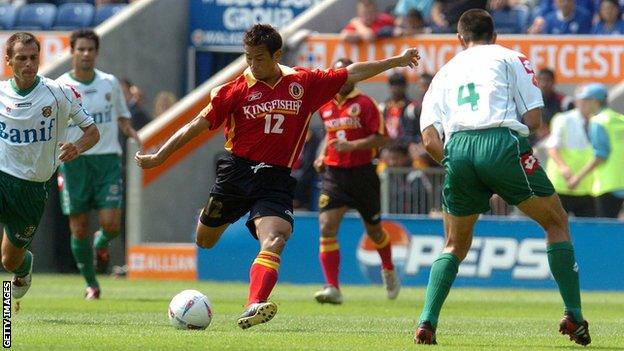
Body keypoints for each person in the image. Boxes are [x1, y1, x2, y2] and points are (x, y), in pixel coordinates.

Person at [135, 24, 420, 329]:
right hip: (236, 173)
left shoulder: (303, 82)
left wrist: (397, 60)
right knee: (204, 241)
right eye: (248, 58)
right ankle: (242, 264)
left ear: (277, 55)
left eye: (259, 58)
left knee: (275, 238)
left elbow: (352, 73)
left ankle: (254, 303)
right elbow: (195, 126)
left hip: (275, 179)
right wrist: (160, 155)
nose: (253, 65)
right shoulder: (232, 91)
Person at [415, 10, 590, 346]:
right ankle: (574, 315)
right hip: (501, 142)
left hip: (459, 149)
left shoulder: (445, 71)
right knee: (556, 222)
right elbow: (535, 119)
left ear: (459, 39)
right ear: (494, 35)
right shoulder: (512, 58)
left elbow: (428, 139)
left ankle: (427, 320)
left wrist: (455, 164)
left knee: (454, 244)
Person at [0, 32, 99, 303]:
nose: (29, 64)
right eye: (22, 58)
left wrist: (77, 147)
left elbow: (92, 132)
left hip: (32, 188)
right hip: (2, 175)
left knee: (10, 260)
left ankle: (24, 267)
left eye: (34, 58)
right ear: (9, 60)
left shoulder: (59, 94)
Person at [56, 29, 141, 300]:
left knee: (111, 224)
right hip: (74, 162)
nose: (85, 54)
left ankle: (101, 243)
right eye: (80, 49)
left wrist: (134, 134)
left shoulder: (109, 84)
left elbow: (122, 118)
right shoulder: (59, 87)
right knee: (78, 226)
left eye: (90, 50)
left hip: (106, 161)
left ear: (96, 52)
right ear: (72, 52)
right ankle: (91, 283)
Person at [312, 58, 395, 305]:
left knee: (374, 231)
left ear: (354, 78)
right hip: (335, 176)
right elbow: (331, 136)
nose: (341, 81)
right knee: (326, 226)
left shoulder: (365, 103)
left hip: (363, 174)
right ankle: (332, 287)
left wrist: (352, 146)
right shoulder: (325, 104)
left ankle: (388, 268)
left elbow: (382, 139)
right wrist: (321, 155)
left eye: (346, 76)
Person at [567, 83, 624, 218]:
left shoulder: (598, 121)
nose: (582, 103)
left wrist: (577, 178)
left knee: (606, 231)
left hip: (607, 185)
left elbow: (600, 155)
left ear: (595, 101)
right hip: (621, 183)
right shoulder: (620, 119)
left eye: (585, 100)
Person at [545, 105, 596, 217]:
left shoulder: (599, 121)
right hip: (561, 186)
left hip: (587, 188)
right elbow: (552, 147)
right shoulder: (564, 119)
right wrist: (563, 167)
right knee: (556, 227)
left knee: (588, 230)